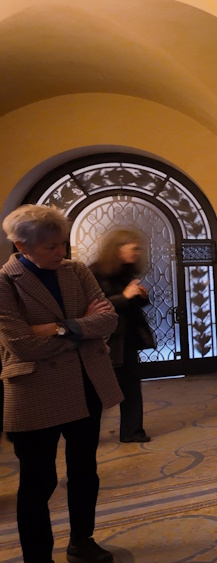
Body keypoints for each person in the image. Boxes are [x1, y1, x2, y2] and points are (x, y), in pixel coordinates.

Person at [0, 204, 123, 563]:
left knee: (84, 471)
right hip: (34, 394)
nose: (61, 252)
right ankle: (38, 557)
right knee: (38, 482)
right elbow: (20, 344)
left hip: (87, 385)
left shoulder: (76, 271)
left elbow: (108, 319)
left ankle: (81, 541)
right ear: (22, 247)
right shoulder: (5, 282)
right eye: (50, 247)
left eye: (63, 243)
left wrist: (57, 328)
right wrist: (78, 329)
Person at [89, 228, 155, 443]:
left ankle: (133, 431)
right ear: (118, 248)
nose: (137, 253)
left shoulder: (127, 271)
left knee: (131, 386)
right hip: (106, 340)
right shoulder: (95, 273)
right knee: (99, 390)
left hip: (127, 338)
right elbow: (97, 309)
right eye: (133, 248)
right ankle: (87, 435)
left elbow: (132, 306)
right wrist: (125, 296)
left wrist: (140, 296)